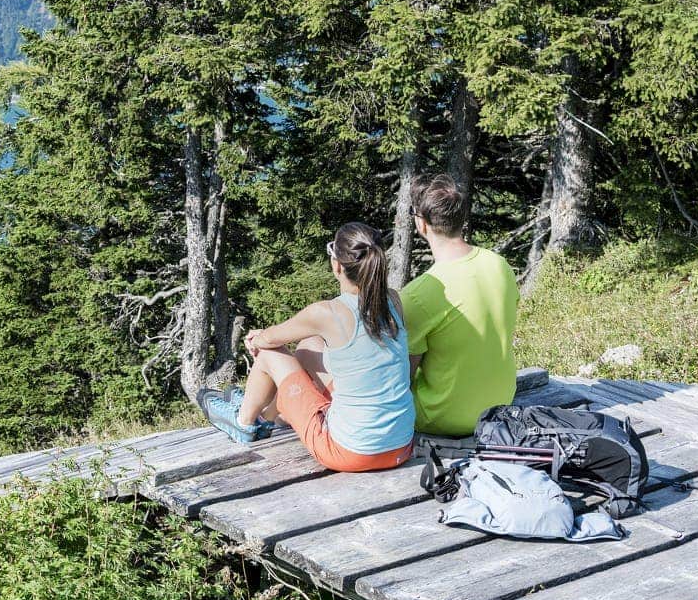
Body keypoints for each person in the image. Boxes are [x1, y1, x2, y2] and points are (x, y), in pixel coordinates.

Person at [200, 222, 415, 472]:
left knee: (270, 355)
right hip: (401, 447)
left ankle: (243, 422)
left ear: (336, 265)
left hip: (350, 451)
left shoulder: (328, 312)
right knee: (308, 347)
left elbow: (270, 341)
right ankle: (267, 417)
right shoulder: (393, 301)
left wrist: (256, 339)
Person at [401, 173, 519, 436]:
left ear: (421, 223)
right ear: (461, 218)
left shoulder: (419, 294)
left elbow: (402, 378)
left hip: (444, 417)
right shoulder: (499, 265)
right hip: (500, 404)